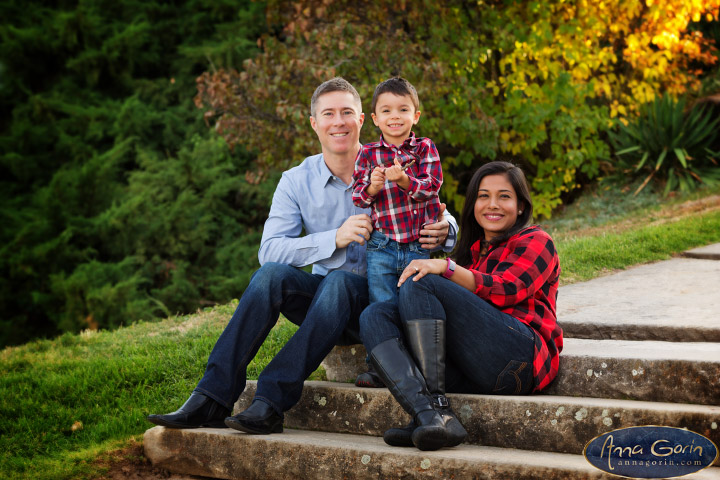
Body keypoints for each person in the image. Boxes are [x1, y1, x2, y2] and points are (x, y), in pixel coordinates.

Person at [146, 77, 457, 435]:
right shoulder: (296, 180)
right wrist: (333, 239)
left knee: (340, 281)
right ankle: (211, 397)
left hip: (377, 305)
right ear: (315, 123)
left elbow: (434, 201)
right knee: (271, 276)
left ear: (362, 120)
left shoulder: (392, 162)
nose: (338, 121)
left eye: (346, 112)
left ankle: (271, 402)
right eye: (328, 114)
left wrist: (448, 228)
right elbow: (270, 250)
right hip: (321, 303)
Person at [359, 161, 563, 451]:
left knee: (422, 279)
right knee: (375, 314)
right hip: (473, 366)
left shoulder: (537, 240)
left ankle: (435, 409)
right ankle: (429, 414)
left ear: (520, 206)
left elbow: (507, 289)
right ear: (473, 204)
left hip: (519, 359)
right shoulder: (472, 254)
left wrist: (445, 266)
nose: (493, 204)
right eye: (483, 196)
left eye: (504, 196)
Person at [352, 77, 443, 305]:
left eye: (403, 109)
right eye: (386, 110)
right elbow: (359, 197)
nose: (394, 116)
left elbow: (431, 186)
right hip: (381, 245)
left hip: (418, 243)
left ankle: (415, 339)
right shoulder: (368, 154)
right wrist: (373, 186)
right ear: (375, 119)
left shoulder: (425, 148)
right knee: (383, 302)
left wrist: (404, 179)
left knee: (416, 301)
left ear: (416, 116)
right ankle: (388, 338)